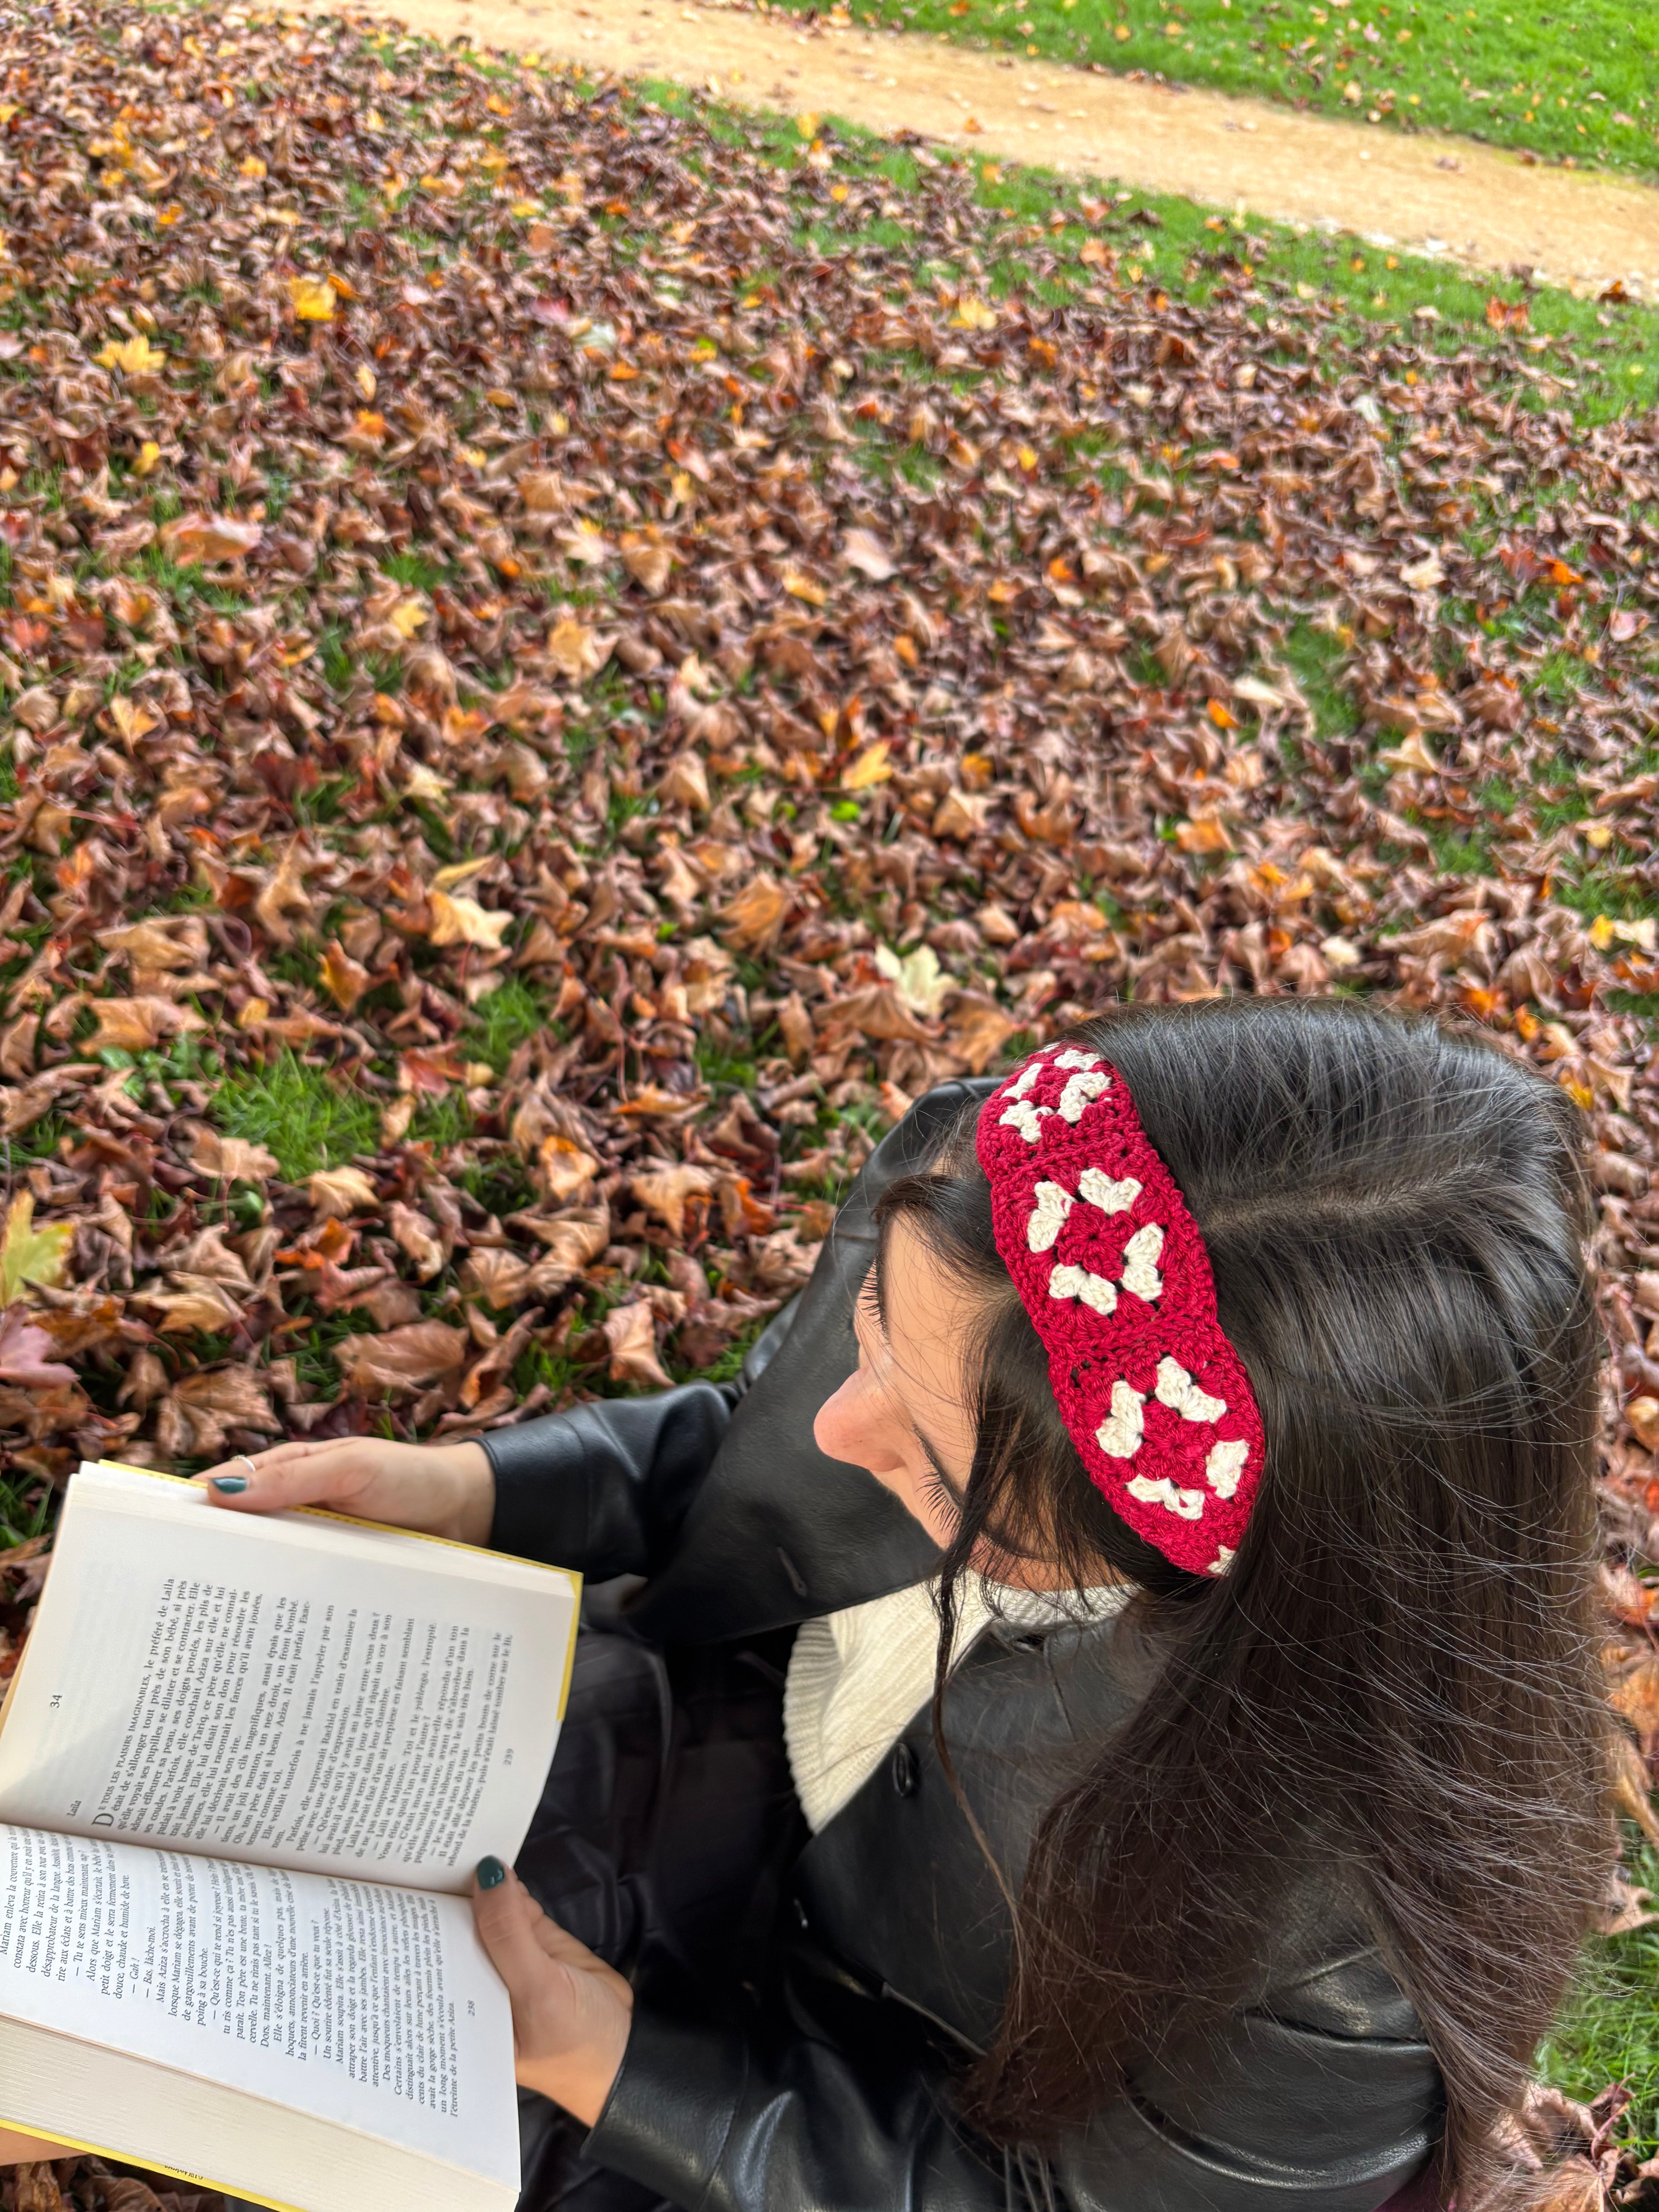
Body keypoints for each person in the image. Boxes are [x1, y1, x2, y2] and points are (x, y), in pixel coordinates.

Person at [188, 998, 1610, 2212]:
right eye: (873, 1328)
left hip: (861, 2110)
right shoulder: (1007, 1226)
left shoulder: (1353, 1950)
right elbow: (763, 1455)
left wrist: (597, 2057)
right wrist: (469, 1489)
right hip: (756, 1756)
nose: (839, 1428)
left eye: (939, 1476)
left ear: (1205, 1576)